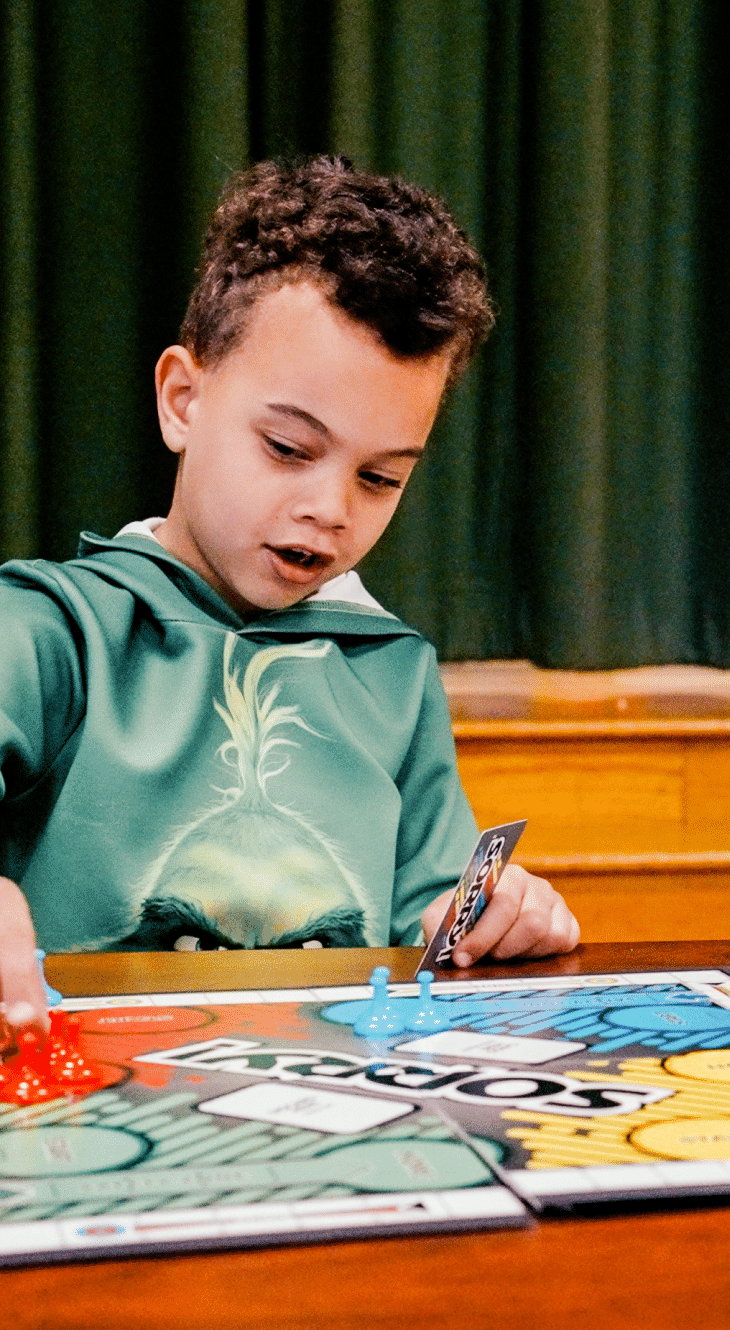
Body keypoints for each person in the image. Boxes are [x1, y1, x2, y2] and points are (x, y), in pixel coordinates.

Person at [0, 157, 579, 1029]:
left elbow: (437, 928)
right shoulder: (54, 630)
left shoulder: (391, 673)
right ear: (182, 401)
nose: (329, 509)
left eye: (380, 477)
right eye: (288, 448)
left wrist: (504, 918)